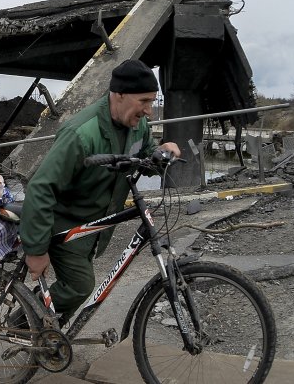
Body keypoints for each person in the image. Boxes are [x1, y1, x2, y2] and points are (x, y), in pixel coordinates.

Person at [19, 59, 181, 325]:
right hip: (64, 224)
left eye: (152, 101)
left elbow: (144, 152)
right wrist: (35, 250)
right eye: (144, 101)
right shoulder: (81, 134)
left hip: (93, 225)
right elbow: (41, 187)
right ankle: (21, 327)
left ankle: (49, 336)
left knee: (75, 289)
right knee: (80, 286)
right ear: (119, 94)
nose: (149, 111)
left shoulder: (135, 125)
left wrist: (161, 154)